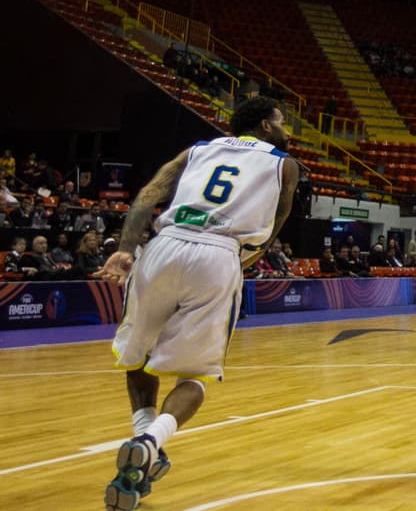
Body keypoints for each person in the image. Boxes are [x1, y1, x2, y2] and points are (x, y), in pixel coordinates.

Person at [97, 96, 299, 511]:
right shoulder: (285, 164)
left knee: (137, 355)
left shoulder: (198, 149)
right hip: (219, 253)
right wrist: (240, 263)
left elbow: (149, 193)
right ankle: (151, 443)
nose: (287, 129)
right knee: (195, 375)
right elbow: (274, 226)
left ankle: (144, 441)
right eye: (281, 122)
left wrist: (125, 248)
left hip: (163, 245)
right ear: (264, 126)